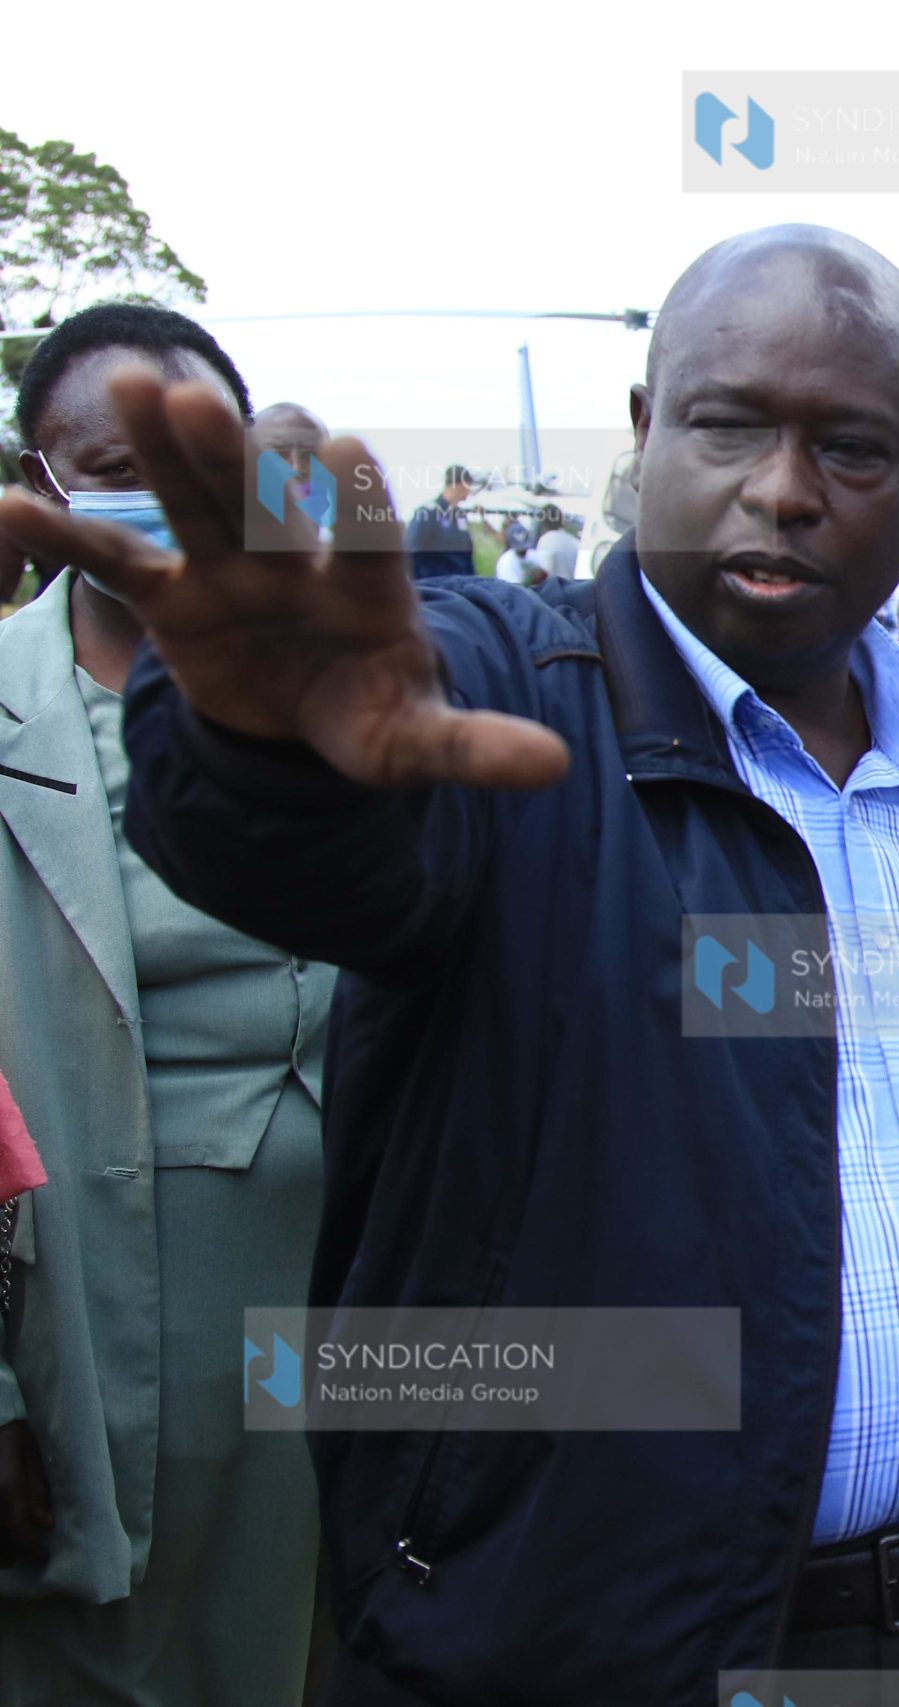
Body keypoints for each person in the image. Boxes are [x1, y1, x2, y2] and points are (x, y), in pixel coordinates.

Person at [0, 225, 899, 1706]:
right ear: (644, 434)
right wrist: (265, 738)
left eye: (850, 445)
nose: (781, 487)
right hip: (621, 1646)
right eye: (726, 424)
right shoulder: (513, 710)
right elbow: (325, 844)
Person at [0, 302, 334, 1703]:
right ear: (37, 481)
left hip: (357, 1277)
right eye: (103, 459)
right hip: (93, 1294)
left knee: (333, 1629)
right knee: (122, 1647)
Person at [402, 462, 476, 578]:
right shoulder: (427, 513)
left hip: (460, 587)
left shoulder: (460, 517)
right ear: (456, 485)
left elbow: (467, 558)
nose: (469, 490)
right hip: (433, 586)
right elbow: (412, 551)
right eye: (467, 485)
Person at [530, 502, 580, 582]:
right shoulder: (574, 541)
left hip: (556, 589)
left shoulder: (546, 541)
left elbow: (544, 574)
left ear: (542, 522)